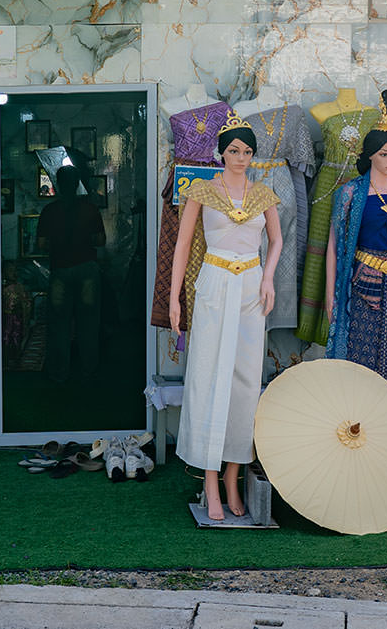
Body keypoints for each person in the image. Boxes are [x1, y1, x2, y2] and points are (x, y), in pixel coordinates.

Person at [170, 114, 281, 521]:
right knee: (208, 375)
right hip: (214, 282)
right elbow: (183, 245)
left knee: (246, 380)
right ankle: (210, 479)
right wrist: (174, 298)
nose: (241, 157)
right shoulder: (201, 191)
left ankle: (234, 475)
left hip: (251, 286)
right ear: (220, 152)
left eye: (247, 151)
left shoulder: (263, 194)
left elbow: (276, 239)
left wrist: (268, 277)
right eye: (234, 150)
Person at [324, 90, 387, 406]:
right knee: (359, 355)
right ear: (370, 155)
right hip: (362, 283)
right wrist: (331, 295)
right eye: (384, 154)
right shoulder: (350, 193)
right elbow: (334, 245)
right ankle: (354, 421)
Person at [37, 164, 107, 382]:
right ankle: (89, 370)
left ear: (58, 184)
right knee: (89, 321)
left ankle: (59, 373)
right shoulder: (90, 209)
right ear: (77, 184)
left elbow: (41, 244)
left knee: (59, 324)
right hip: (87, 269)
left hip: (60, 269)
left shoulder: (50, 211)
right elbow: (101, 241)